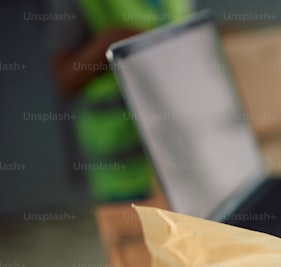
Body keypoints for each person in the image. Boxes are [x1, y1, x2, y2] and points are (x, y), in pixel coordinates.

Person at [47, 0, 192, 203]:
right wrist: (111, 43)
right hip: (125, 171)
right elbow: (65, 79)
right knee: (139, 230)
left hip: (185, 154)